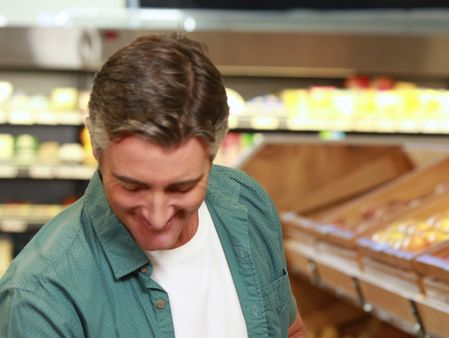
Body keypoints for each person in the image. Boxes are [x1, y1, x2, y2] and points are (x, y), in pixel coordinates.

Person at [0, 33, 305, 338]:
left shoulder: (249, 204)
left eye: (181, 188)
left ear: (214, 153)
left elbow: (290, 329)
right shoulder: (38, 299)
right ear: (96, 146)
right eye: (133, 187)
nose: (158, 217)